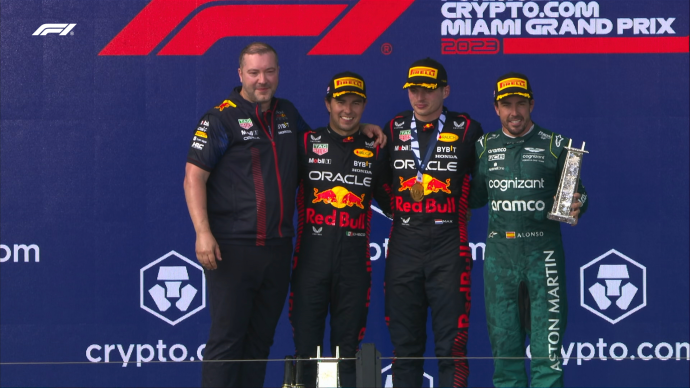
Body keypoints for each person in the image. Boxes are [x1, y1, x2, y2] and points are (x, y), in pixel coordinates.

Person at [183, 42, 385, 387]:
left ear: (278, 73)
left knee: (260, 343)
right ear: (240, 75)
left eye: (269, 71)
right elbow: (193, 177)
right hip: (233, 248)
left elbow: (328, 144)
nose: (262, 79)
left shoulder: (287, 114)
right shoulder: (221, 117)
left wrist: (361, 126)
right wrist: (203, 232)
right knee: (227, 342)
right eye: (254, 72)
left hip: (277, 249)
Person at [469, 72, 588, 387]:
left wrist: (578, 204)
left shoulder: (556, 145)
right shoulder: (483, 146)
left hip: (543, 255)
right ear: (496, 108)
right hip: (499, 257)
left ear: (532, 104)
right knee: (505, 355)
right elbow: (475, 197)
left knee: (547, 355)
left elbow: (579, 195)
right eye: (506, 105)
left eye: (521, 104)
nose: (514, 112)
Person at [383, 58, 483, 387]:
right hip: (404, 243)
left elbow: (483, 182)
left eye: (427, 90)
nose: (419, 98)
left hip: (448, 243)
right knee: (405, 347)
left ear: (445, 90)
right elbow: (378, 181)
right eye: (413, 90)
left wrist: (463, 205)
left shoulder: (467, 128)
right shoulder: (394, 127)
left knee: (451, 347)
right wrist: (397, 207)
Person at [289, 71, 392, 388]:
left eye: (355, 103)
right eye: (340, 102)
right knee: (306, 353)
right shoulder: (306, 142)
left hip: (353, 265)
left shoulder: (376, 147)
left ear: (364, 106)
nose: (348, 110)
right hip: (310, 262)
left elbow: (393, 204)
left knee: (346, 355)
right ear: (327, 103)